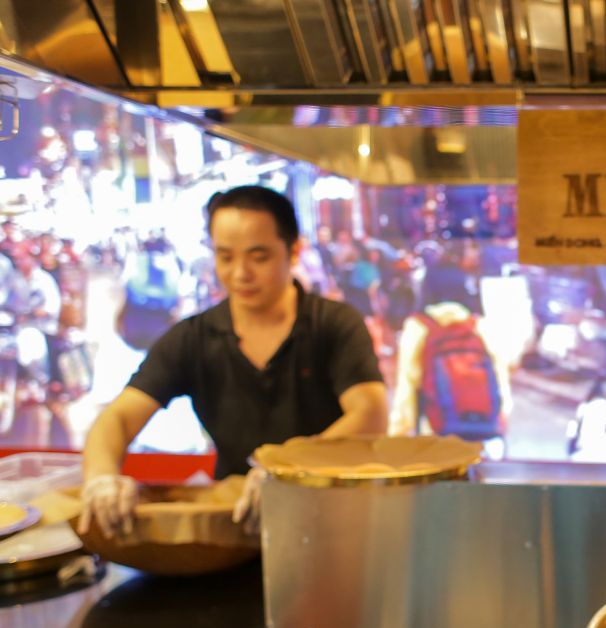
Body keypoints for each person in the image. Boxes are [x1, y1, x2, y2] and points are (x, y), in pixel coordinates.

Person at [79, 185, 388, 537]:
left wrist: (288, 470)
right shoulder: (195, 337)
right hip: (236, 526)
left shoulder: (333, 324)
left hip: (333, 523)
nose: (240, 273)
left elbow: (370, 414)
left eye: (259, 257)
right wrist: (101, 478)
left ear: (294, 251)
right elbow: (117, 419)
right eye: (225, 257)